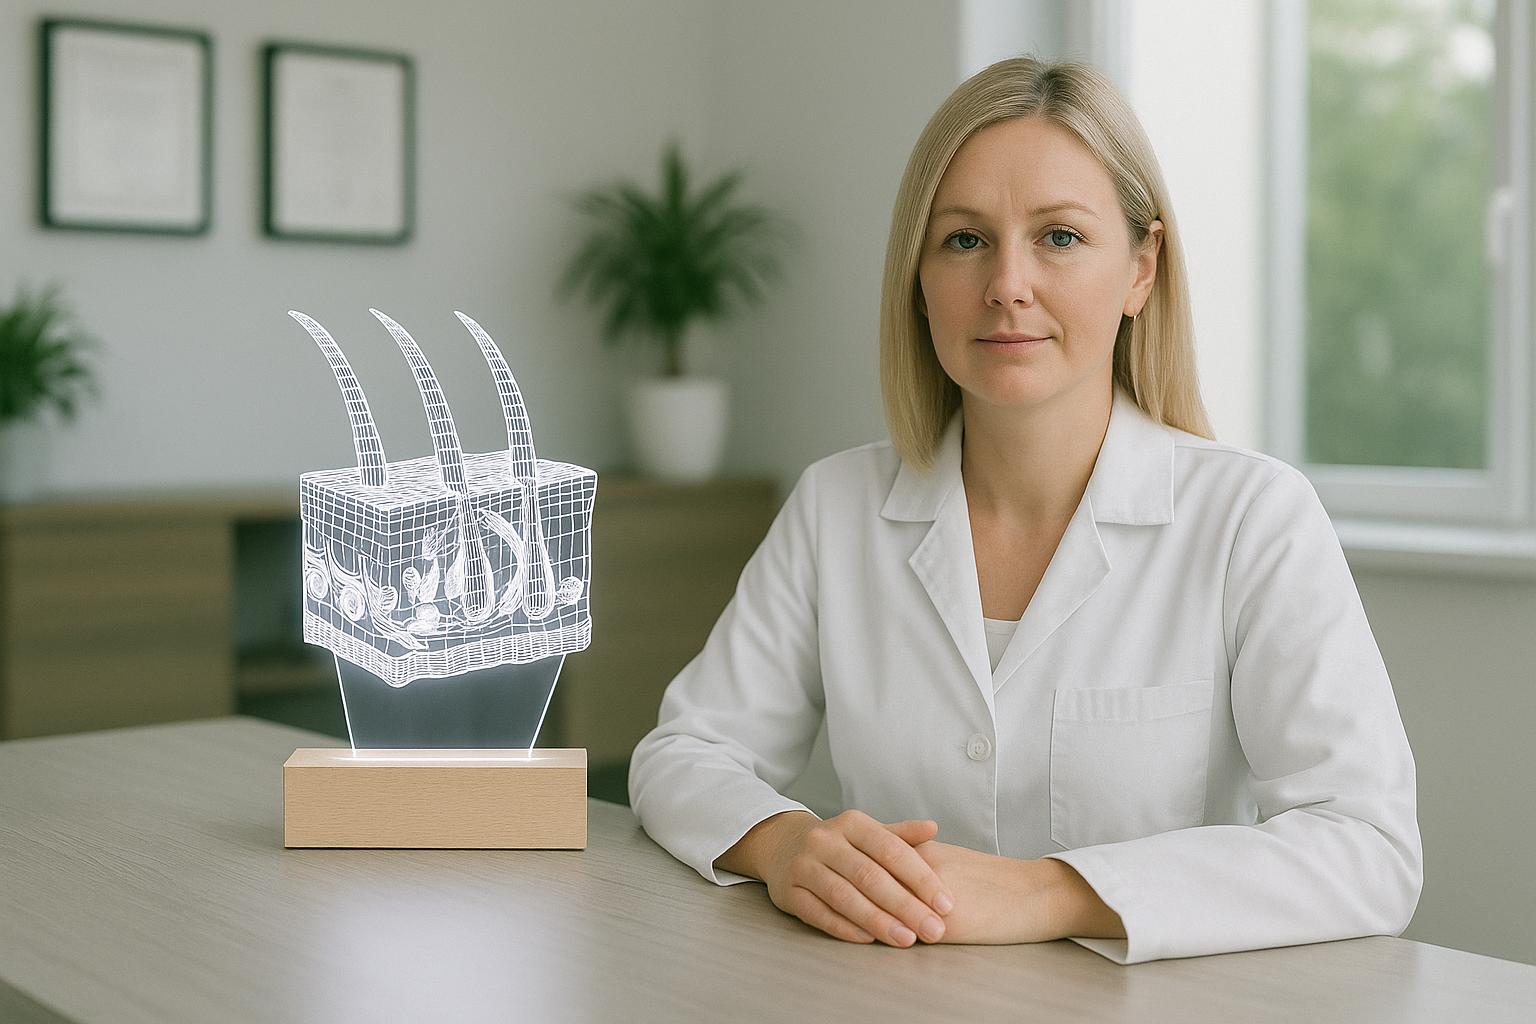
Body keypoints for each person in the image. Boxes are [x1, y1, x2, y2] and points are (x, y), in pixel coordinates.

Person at [627, 55, 1422, 965]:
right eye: (964, 240)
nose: (1008, 284)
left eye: (1060, 237)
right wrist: (784, 845)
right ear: (918, 276)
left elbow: (1369, 848)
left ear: (1141, 271)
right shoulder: (834, 508)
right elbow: (682, 754)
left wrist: (1046, 892)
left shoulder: (1253, 517)